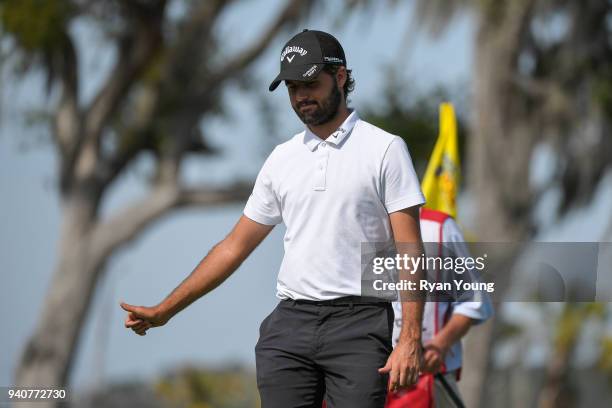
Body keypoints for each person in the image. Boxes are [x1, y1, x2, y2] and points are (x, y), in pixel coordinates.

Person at [121, 29, 427, 408]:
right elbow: (234, 246)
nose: (300, 96)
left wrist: (410, 338)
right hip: (290, 326)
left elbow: (410, 249)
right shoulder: (282, 159)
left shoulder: (384, 149)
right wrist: (166, 309)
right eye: (292, 87)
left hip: (360, 324)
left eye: (310, 83)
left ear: (342, 77)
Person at [385, 208, 493, 408]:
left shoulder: (439, 226)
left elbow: (473, 302)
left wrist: (440, 345)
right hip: (365, 375)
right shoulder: (355, 221)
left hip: (432, 376)